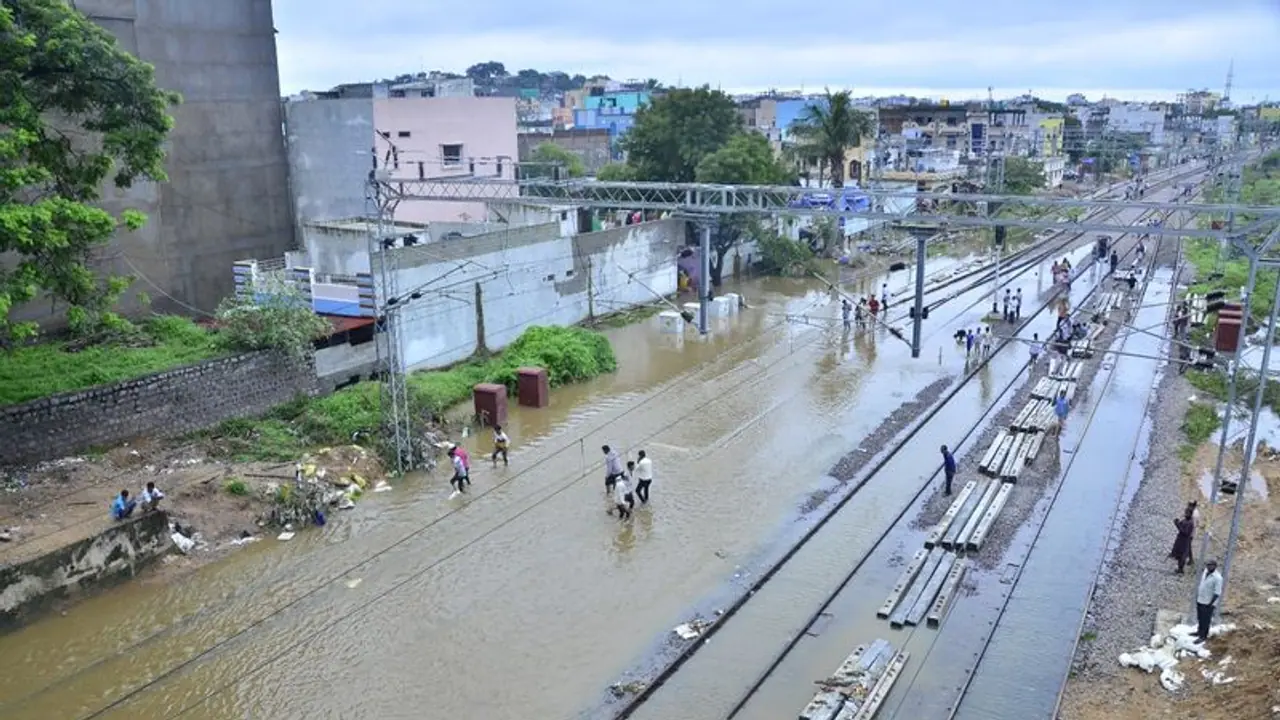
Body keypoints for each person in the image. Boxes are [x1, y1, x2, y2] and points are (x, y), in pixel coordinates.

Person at [1195, 560, 1223, 643]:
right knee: (1200, 618)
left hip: (1208, 603)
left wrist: (1210, 603)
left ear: (1215, 566)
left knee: (1205, 620)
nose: (1208, 567)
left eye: (1210, 565)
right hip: (1200, 599)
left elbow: (1217, 592)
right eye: (1207, 565)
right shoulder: (1205, 572)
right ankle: (1199, 631)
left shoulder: (1218, 578)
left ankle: (1203, 636)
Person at [1170, 507, 1195, 574]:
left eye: (1187, 513)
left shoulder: (1190, 523)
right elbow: (1180, 525)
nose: (1185, 514)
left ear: (1190, 514)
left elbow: (1185, 532)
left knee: (1182, 555)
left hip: (1184, 541)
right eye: (1185, 512)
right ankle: (1179, 569)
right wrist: (1177, 522)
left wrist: (1178, 525)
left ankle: (1181, 570)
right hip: (1180, 539)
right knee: (1178, 554)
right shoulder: (1185, 520)